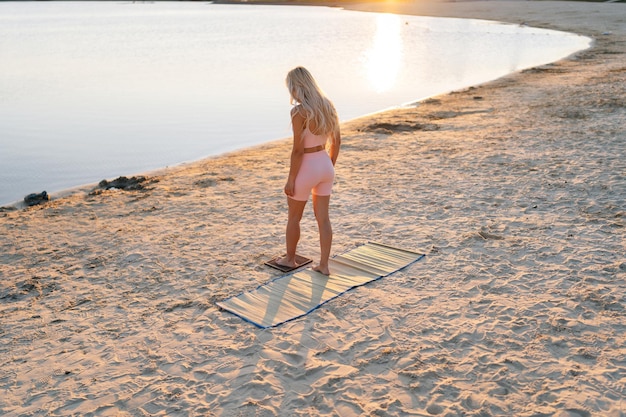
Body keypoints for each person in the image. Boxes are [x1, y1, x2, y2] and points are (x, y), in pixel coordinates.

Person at [275, 66, 341, 276]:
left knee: (294, 218)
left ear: (296, 87)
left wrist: (291, 179)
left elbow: (297, 151)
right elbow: (337, 141)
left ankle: (290, 259)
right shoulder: (328, 106)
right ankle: (324, 265)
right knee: (323, 218)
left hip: (307, 166)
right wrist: (329, 165)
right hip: (324, 164)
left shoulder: (299, 111)